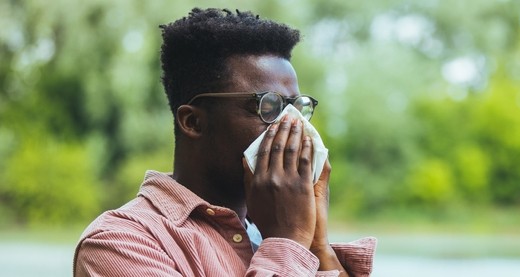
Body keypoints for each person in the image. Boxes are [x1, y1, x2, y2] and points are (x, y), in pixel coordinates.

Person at [73, 8, 376, 276]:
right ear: (193, 122)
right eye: (268, 107)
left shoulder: (277, 236)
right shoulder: (120, 243)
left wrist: (316, 245)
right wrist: (287, 242)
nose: (292, 125)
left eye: (297, 108)